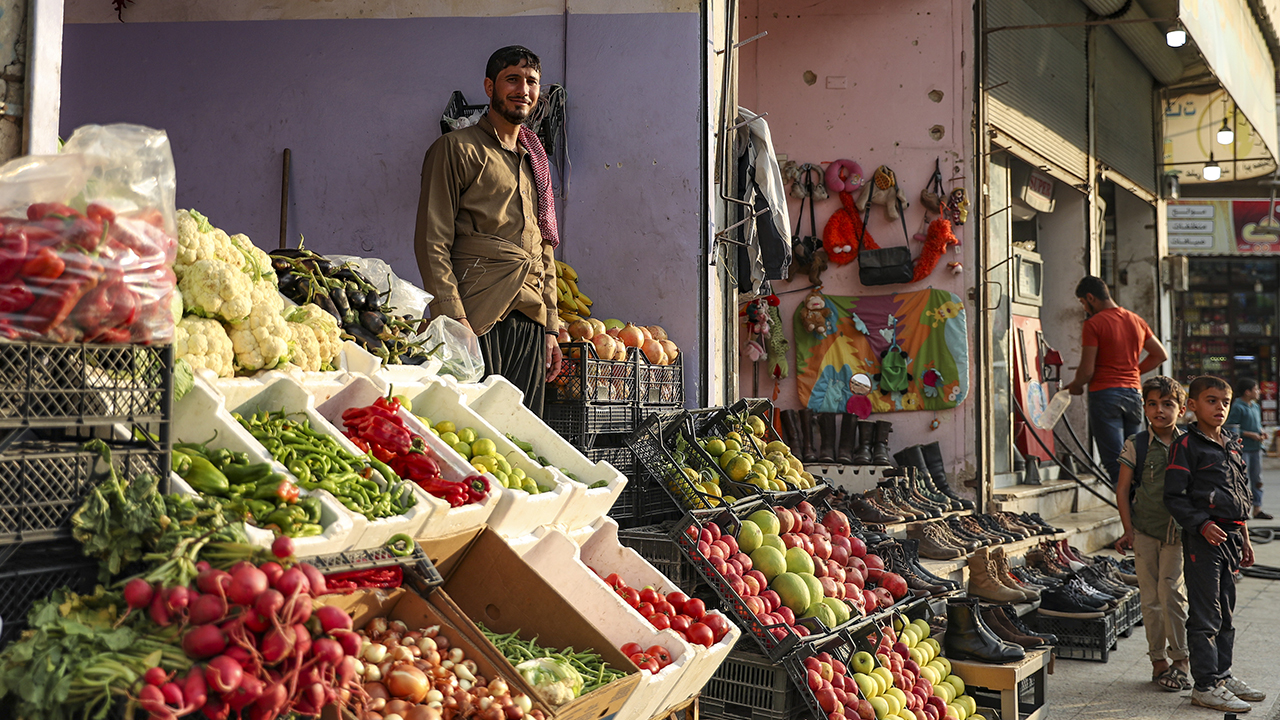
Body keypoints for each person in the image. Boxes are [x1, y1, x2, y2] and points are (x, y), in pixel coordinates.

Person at [414, 45, 562, 417]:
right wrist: (454, 319)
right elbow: (432, 241)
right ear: (489, 87)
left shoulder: (534, 161)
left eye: (531, 82)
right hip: (476, 316)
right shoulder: (455, 149)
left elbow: (543, 249)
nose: (522, 90)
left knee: (520, 433)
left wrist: (549, 328)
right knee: (473, 434)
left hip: (527, 323)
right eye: (512, 79)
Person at [1164, 376, 1264, 713]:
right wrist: (1202, 524)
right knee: (1206, 615)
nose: (1219, 407)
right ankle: (1205, 685)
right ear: (1192, 406)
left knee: (1226, 614)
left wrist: (1246, 539)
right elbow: (1174, 498)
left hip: (1233, 539)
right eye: (1211, 400)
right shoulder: (1186, 446)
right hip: (1203, 541)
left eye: (1224, 401)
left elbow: (1241, 496)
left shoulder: (1231, 443)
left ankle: (1223, 675)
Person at [1114, 376, 1189, 692]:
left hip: (1178, 534)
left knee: (1171, 593)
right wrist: (1127, 529)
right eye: (1153, 404)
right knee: (1150, 600)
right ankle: (1158, 661)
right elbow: (1122, 490)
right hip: (1144, 532)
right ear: (1144, 407)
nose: (1160, 410)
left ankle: (1181, 661)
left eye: (1168, 404)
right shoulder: (1136, 444)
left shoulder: (1189, 444)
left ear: (1182, 410)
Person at [1064, 276, 1168, 486]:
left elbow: (1086, 370)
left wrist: (1075, 386)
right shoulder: (1136, 320)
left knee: (1115, 463)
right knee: (1135, 460)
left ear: (1091, 297)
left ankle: (1130, 514)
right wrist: (1133, 372)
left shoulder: (1094, 324)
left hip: (1105, 396)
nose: (1084, 308)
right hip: (1133, 396)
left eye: (1083, 303)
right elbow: (1160, 354)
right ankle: (1141, 511)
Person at [1226, 378, 1270, 520]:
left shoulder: (1255, 406)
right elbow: (1232, 427)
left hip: (1256, 448)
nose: (1258, 392)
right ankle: (1243, 508)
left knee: (1257, 479)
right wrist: (1249, 434)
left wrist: (1261, 432)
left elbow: (1256, 425)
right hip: (1243, 448)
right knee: (1242, 479)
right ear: (1247, 392)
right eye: (1256, 389)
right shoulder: (1237, 407)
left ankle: (1257, 508)